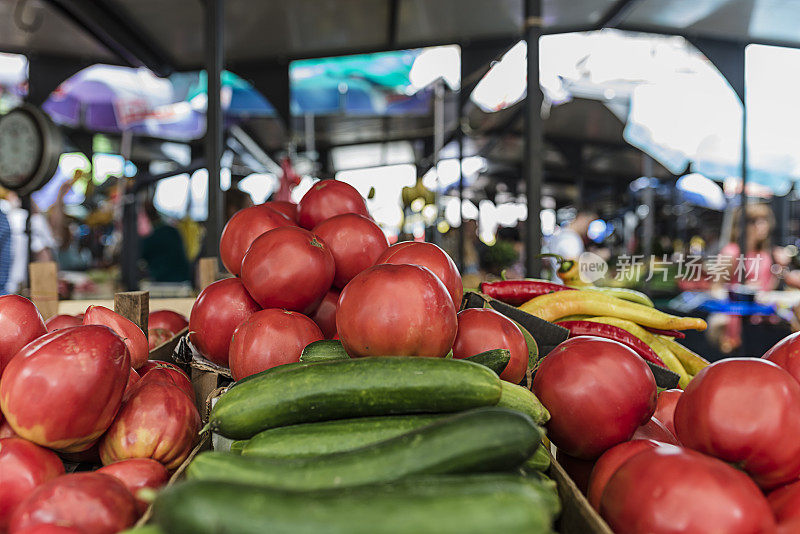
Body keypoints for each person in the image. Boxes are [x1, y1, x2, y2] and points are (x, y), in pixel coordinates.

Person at [140, 200, 191, 283]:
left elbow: (137, 254)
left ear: (145, 218)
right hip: (184, 281)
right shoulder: (171, 230)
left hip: (167, 284)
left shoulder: (152, 238)